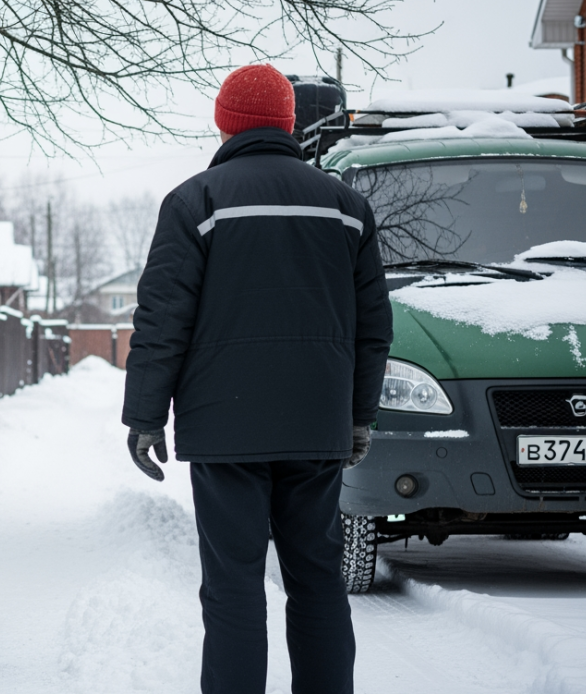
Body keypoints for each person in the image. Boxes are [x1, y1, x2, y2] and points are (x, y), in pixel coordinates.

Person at [122, 64, 392, 694]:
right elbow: (372, 326)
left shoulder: (195, 202)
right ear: (290, 124)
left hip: (225, 428)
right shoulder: (347, 207)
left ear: (224, 123)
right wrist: (358, 415)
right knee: (317, 579)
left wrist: (144, 416)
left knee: (234, 584)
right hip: (315, 425)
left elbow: (163, 319)